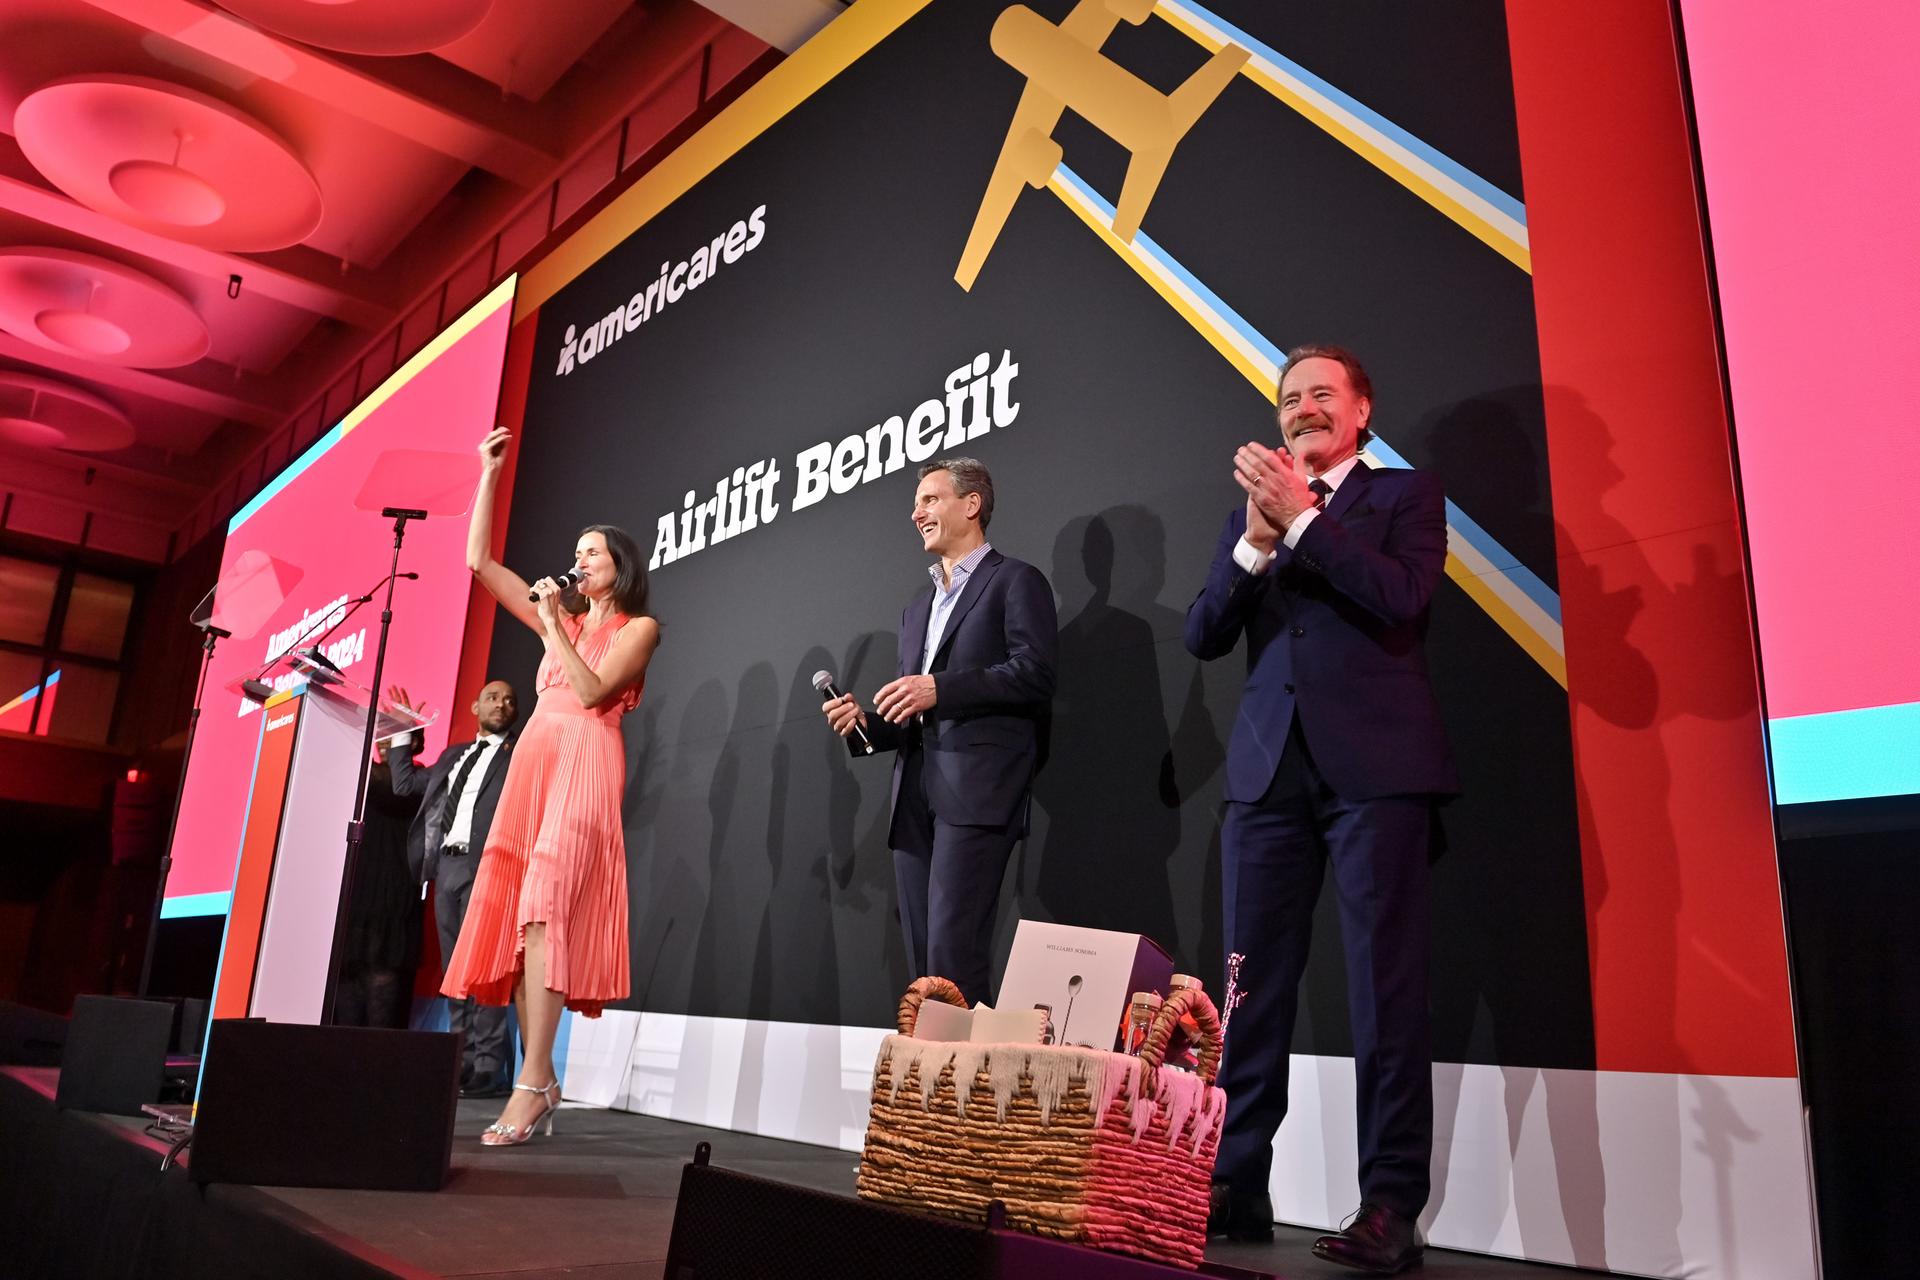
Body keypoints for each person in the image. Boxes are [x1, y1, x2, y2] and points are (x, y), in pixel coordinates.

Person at [1185, 345, 1457, 1274]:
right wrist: (1257, 542)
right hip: (1267, 776)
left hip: (1377, 772)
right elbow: (1204, 633)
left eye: (1321, 394)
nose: (1302, 408)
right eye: (1289, 398)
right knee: (1248, 992)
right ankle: (1236, 1180)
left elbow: (1401, 596)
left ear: (1361, 411)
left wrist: (1303, 520)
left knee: (1385, 992)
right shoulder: (1251, 512)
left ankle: (1391, 1204)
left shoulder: (1405, 497)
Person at [443, 425, 660, 1146]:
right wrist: (488, 474)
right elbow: (479, 563)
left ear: (619, 567)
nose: (578, 562)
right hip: (536, 763)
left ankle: (532, 1082)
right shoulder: (558, 620)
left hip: (587, 761)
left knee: (545, 907)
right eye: (576, 553)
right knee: (526, 918)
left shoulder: (638, 627)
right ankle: (538, 1078)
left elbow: (593, 692)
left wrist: (553, 626)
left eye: (591, 553)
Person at [820, 457, 1057, 1005]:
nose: (916, 513)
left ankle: (962, 1063)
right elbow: (918, 715)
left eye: (929, 499)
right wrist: (868, 725)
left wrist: (939, 688)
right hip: (914, 796)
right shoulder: (916, 609)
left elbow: (1035, 673)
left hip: (976, 792)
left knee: (954, 958)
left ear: (972, 504)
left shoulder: (1014, 581)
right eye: (916, 503)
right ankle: (932, 1063)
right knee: (923, 964)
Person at [385, 678, 521, 1095]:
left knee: (486, 969)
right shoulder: (453, 756)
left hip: (491, 866)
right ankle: (461, 1059)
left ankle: (489, 1067)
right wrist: (403, 732)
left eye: (509, 700)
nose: (501, 704)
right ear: (475, 708)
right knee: (456, 971)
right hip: (447, 868)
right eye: (493, 698)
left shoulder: (520, 755)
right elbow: (404, 784)